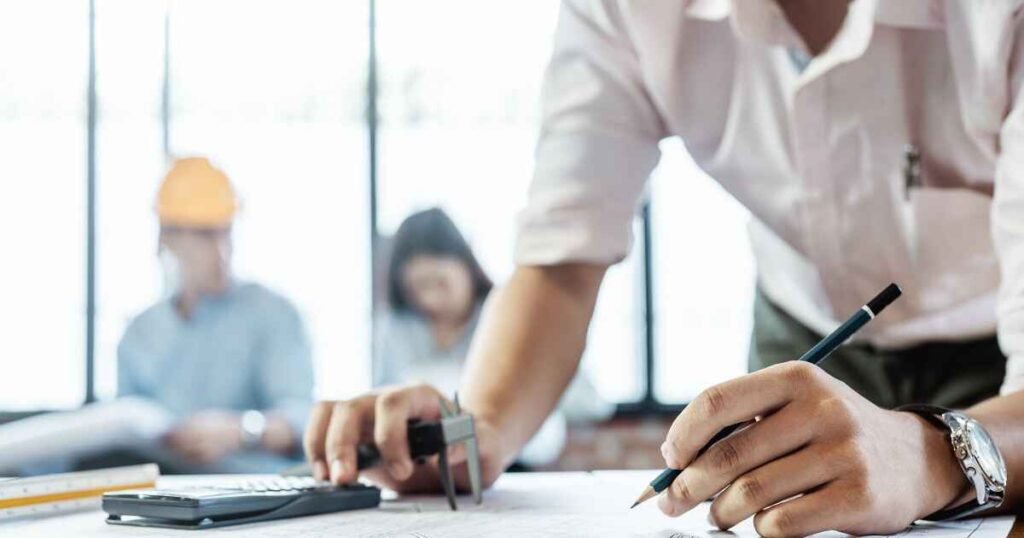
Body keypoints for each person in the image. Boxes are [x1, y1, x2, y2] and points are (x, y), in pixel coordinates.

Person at [305, 1, 1024, 535]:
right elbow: (562, 259)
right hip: (809, 336)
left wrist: (937, 455)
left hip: (999, 353)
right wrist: (481, 429)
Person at [117, 157, 314, 473]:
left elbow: (305, 419)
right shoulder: (140, 334)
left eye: (226, 232)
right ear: (167, 238)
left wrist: (243, 432)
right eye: (205, 235)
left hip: (251, 485)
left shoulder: (273, 315)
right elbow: (127, 430)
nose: (222, 251)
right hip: (164, 485)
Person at [374, 208, 612, 466]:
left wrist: (517, 398)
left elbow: (589, 402)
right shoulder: (395, 331)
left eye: (440, 283)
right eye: (418, 288)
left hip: (518, 464)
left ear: (466, 268)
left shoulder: (512, 320)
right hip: (427, 468)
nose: (430, 300)